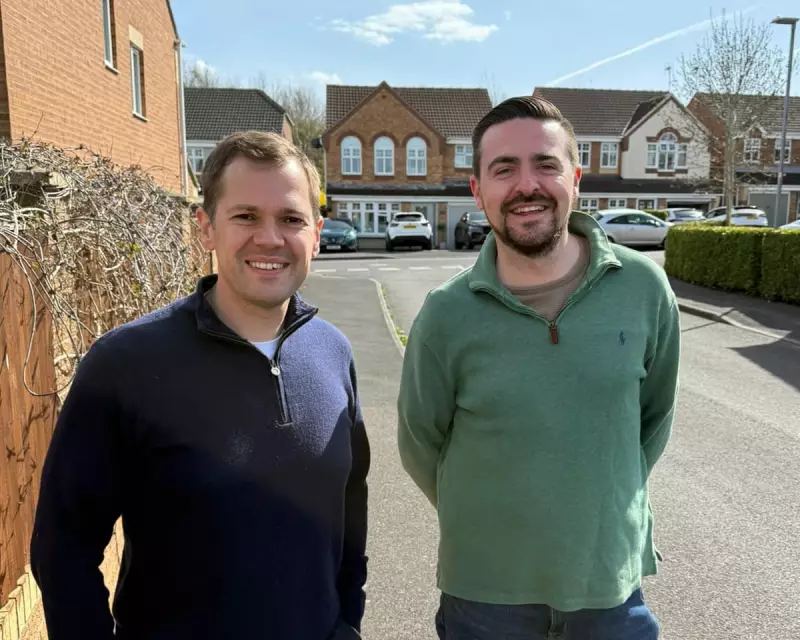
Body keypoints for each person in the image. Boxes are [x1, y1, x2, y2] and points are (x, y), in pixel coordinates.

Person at [30, 131, 370, 640]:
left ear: (317, 234)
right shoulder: (126, 363)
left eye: (291, 219)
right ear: (206, 228)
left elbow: (351, 508)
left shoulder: (333, 352)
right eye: (246, 216)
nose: (270, 238)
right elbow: (63, 547)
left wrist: (347, 622)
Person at [397, 96, 680, 639]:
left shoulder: (644, 288)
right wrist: (491, 520)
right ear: (478, 190)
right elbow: (419, 444)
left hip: (608, 587)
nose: (527, 185)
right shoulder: (445, 314)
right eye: (504, 169)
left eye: (546, 164)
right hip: (485, 596)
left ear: (576, 178)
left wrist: (594, 504)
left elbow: (652, 420)